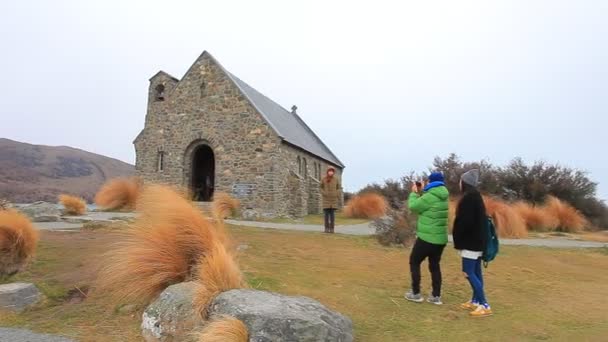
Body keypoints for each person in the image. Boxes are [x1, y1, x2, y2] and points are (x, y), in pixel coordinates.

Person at [453, 169, 493, 317]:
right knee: (476, 272)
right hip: (477, 242)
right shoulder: (476, 197)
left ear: (465, 183)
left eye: (460, 180)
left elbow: (466, 222)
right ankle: (475, 301)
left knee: (468, 272)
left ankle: (484, 304)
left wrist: (458, 235)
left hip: (471, 243)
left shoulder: (469, 199)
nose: (459, 182)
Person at [405, 172, 449, 305]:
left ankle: (416, 293)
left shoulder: (430, 196)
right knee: (434, 265)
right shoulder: (443, 195)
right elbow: (428, 204)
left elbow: (413, 206)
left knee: (414, 261)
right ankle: (436, 296)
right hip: (440, 239)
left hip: (426, 237)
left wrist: (414, 193)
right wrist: (422, 192)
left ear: (431, 181)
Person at [320, 167, 342, 233]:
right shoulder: (323, 179)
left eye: (332, 171)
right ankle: (326, 229)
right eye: (329, 171)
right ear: (327, 172)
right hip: (326, 200)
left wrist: (336, 193)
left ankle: (332, 229)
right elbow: (320, 187)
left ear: (333, 172)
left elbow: (339, 188)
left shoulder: (336, 179)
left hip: (333, 200)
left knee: (332, 216)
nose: (330, 172)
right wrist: (324, 193)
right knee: (326, 216)